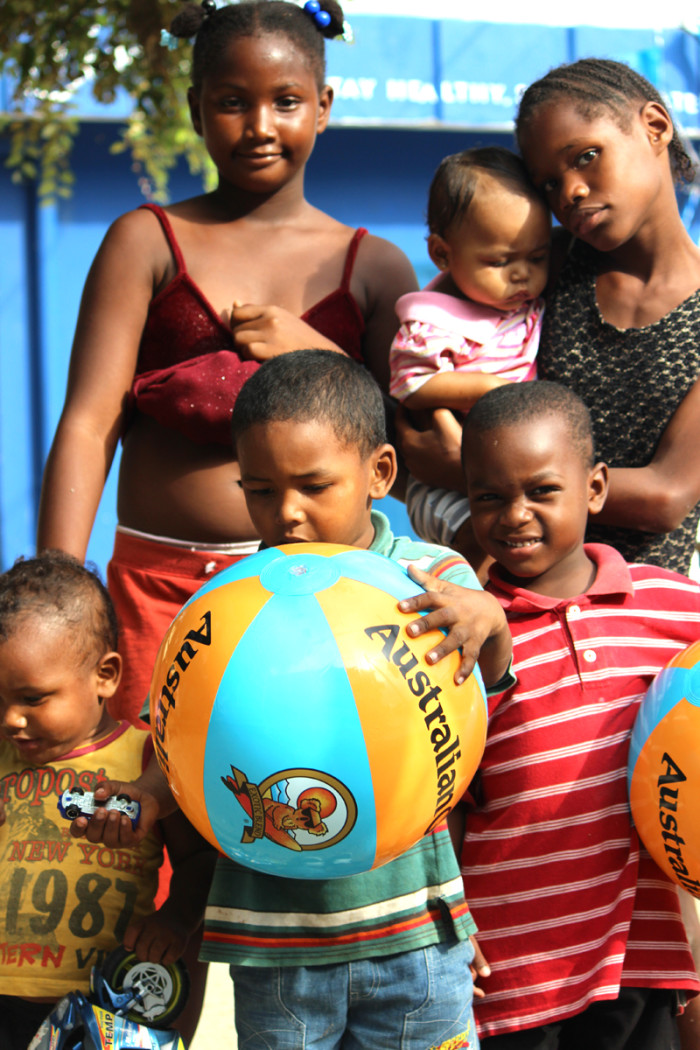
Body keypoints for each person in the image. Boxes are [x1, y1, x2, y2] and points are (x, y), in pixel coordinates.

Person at [69, 349, 516, 1050]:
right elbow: (184, 733)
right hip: (275, 947)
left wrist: (492, 622)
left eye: (314, 486)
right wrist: (149, 796)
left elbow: (487, 685)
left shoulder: (431, 579)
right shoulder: (225, 604)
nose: (288, 513)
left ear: (380, 473)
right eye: (260, 489)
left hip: (414, 934)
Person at [36, 0, 418, 727]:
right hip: (156, 589)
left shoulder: (374, 268)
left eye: (286, 101)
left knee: (292, 780)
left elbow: (405, 445)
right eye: (233, 102)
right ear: (196, 108)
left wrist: (318, 353)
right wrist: (58, 590)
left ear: (324, 106)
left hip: (319, 596)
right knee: (139, 781)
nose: (261, 125)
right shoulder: (145, 242)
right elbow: (88, 422)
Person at [456, 380, 700, 1048]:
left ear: (594, 488)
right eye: (489, 496)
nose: (515, 515)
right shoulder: (467, 637)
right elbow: (446, 800)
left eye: (542, 490)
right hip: (512, 967)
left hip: (643, 956)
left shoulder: (675, 607)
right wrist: (451, 914)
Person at [397, 58, 700, 578]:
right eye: (549, 185)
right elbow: (420, 357)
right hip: (512, 593)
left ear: (654, 126)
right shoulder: (541, 264)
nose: (571, 192)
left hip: (639, 600)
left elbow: (666, 495)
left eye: (586, 157)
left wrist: (467, 472)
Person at [0, 551, 216, 1049]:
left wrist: (176, 920)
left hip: (103, 1008)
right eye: (0, 699)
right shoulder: (5, 757)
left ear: (106, 675)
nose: (11, 718)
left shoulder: (148, 760)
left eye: (32, 699)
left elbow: (201, 860)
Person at [389, 146, 548, 414]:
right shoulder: (433, 325)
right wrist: (491, 389)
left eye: (537, 258)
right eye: (499, 262)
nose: (522, 274)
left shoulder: (528, 306)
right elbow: (410, 385)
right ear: (442, 254)